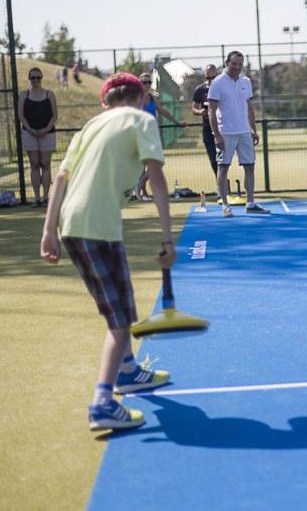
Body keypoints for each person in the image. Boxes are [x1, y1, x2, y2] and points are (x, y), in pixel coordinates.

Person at [40, 72, 176, 431]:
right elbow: (156, 177)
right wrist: (167, 238)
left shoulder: (89, 127)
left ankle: (128, 371)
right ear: (142, 95)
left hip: (71, 226)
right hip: (99, 228)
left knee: (113, 305)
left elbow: (60, 179)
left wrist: (47, 231)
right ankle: (102, 402)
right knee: (120, 321)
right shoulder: (143, 119)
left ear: (104, 102)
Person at [208, 51, 269, 217]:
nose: (237, 67)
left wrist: (253, 131)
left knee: (250, 167)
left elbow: (248, 108)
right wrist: (217, 135)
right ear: (227, 62)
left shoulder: (246, 81)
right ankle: (225, 206)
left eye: (240, 64)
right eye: (234, 63)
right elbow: (211, 112)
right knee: (223, 168)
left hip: (244, 132)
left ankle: (250, 203)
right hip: (225, 132)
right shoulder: (217, 83)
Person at [133, 72, 186, 200]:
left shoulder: (153, 98)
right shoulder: (135, 98)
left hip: (153, 134)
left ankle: (139, 185)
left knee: (158, 161)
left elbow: (163, 111)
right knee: (141, 164)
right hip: (139, 134)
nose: (146, 85)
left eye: (149, 82)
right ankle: (142, 193)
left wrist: (177, 122)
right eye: (143, 82)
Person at [18, 67, 58, 207]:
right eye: (33, 78)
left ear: (41, 78)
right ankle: (36, 198)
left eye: (38, 77)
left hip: (47, 133)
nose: (35, 80)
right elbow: (21, 116)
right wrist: (30, 129)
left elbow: (55, 115)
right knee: (34, 164)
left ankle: (46, 197)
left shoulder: (49, 94)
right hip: (29, 134)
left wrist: (45, 129)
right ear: (29, 79)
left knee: (45, 164)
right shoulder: (24, 94)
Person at [192, 64, 220, 179]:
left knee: (223, 160)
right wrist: (200, 112)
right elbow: (194, 108)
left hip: (222, 128)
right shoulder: (200, 90)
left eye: (213, 78)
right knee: (213, 159)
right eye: (208, 78)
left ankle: (224, 183)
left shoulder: (221, 88)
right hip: (208, 128)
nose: (210, 81)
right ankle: (220, 185)